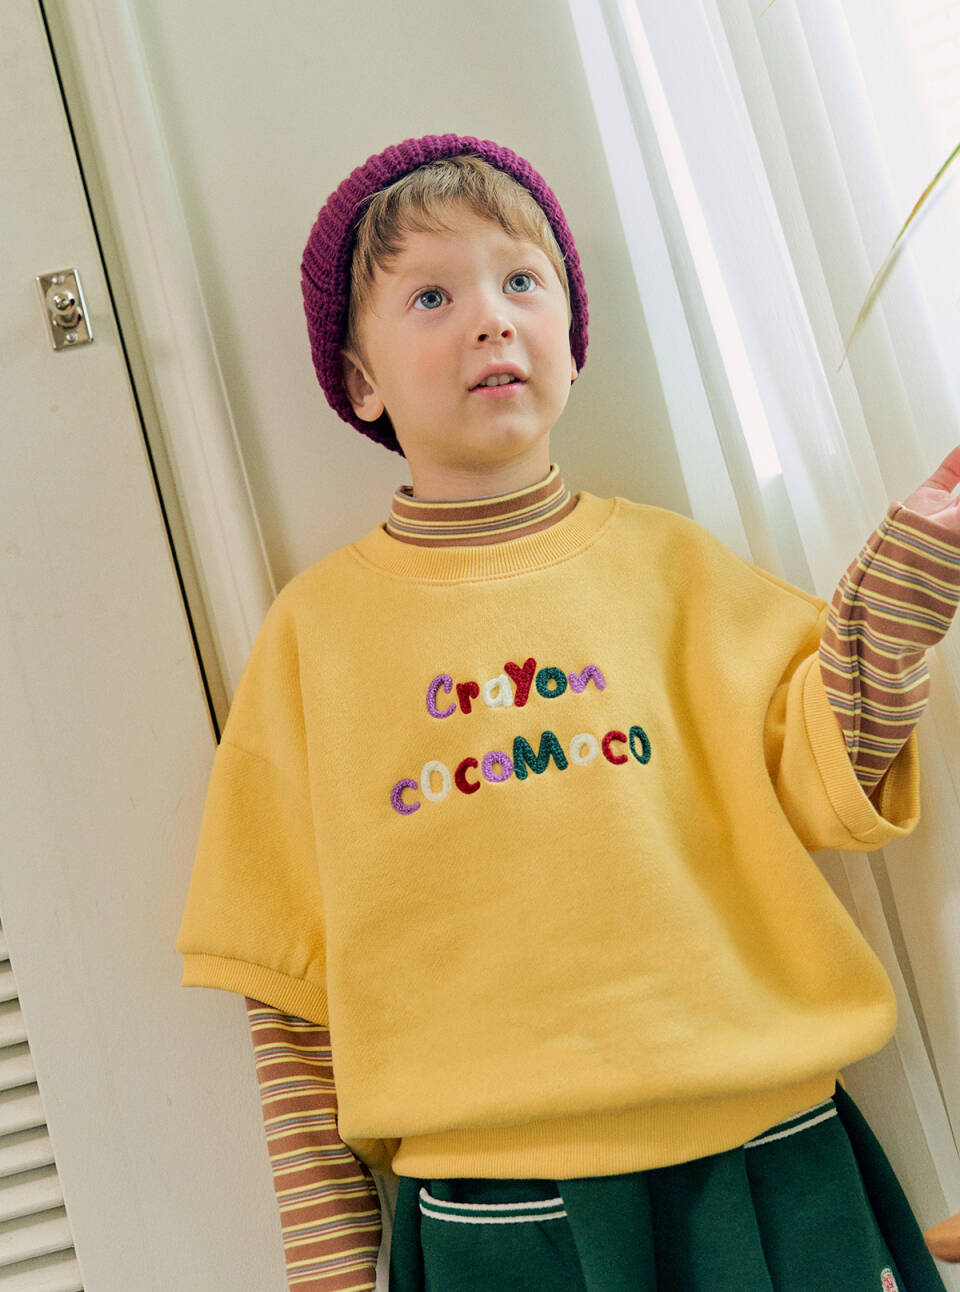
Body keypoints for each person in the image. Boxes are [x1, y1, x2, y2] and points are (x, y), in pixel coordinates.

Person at [176, 134, 960, 1290]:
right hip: (502, 1214)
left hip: (772, 1159)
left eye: (521, 281)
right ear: (360, 380)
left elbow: (827, 765)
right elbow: (288, 989)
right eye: (433, 296)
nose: (491, 320)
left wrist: (904, 588)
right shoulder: (316, 638)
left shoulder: (677, 569)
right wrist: (330, 1269)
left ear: (573, 340)